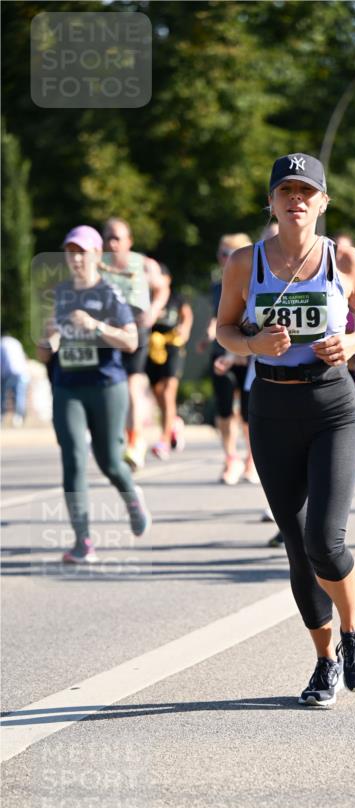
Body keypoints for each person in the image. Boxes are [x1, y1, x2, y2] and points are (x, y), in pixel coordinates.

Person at [217, 152, 355, 708]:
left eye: (306, 191)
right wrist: (252, 344)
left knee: (324, 540)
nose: (296, 200)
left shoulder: (346, 260)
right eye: (286, 191)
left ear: (323, 202)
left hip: (333, 404)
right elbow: (223, 328)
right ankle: (323, 660)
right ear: (271, 202)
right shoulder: (245, 263)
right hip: (271, 408)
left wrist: (352, 344)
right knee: (295, 545)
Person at [36, 225, 151, 564]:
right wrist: (48, 338)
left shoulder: (110, 293)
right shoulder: (59, 294)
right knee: (72, 458)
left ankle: (131, 497)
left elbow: (131, 341)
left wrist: (96, 326)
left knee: (110, 461)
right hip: (67, 384)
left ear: (96, 255)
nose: (75, 258)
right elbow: (45, 354)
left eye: (82, 251)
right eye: (70, 252)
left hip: (106, 384)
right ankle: (82, 541)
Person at [102, 217, 170, 471]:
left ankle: (135, 441)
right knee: (110, 384)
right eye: (107, 237)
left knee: (131, 383)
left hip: (135, 332)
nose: (112, 242)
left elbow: (162, 288)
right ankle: (115, 436)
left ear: (128, 241)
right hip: (108, 333)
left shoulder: (143, 264)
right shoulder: (98, 265)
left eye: (117, 237)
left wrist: (152, 310)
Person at [200, 233, 258, 484]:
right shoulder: (217, 286)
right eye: (220, 253)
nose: (222, 258)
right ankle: (230, 458)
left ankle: (251, 460)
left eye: (227, 253)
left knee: (249, 413)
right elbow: (220, 317)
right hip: (222, 352)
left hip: (248, 352)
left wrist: (238, 352)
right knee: (224, 408)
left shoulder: (255, 283)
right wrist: (208, 333)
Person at [146, 265, 193, 460]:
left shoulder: (176, 297)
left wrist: (184, 329)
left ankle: (164, 441)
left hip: (172, 345)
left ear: (167, 278)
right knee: (157, 392)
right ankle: (174, 422)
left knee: (168, 391)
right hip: (152, 346)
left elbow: (187, 315)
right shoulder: (147, 298)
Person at [1, 335, 30, 426]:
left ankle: (2, 416)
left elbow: (2, 361)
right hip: (21, 372)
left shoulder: (3, 343)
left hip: (8, 372)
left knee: (3, 395)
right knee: (20, 395)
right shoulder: (16, 343)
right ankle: (18, 418)